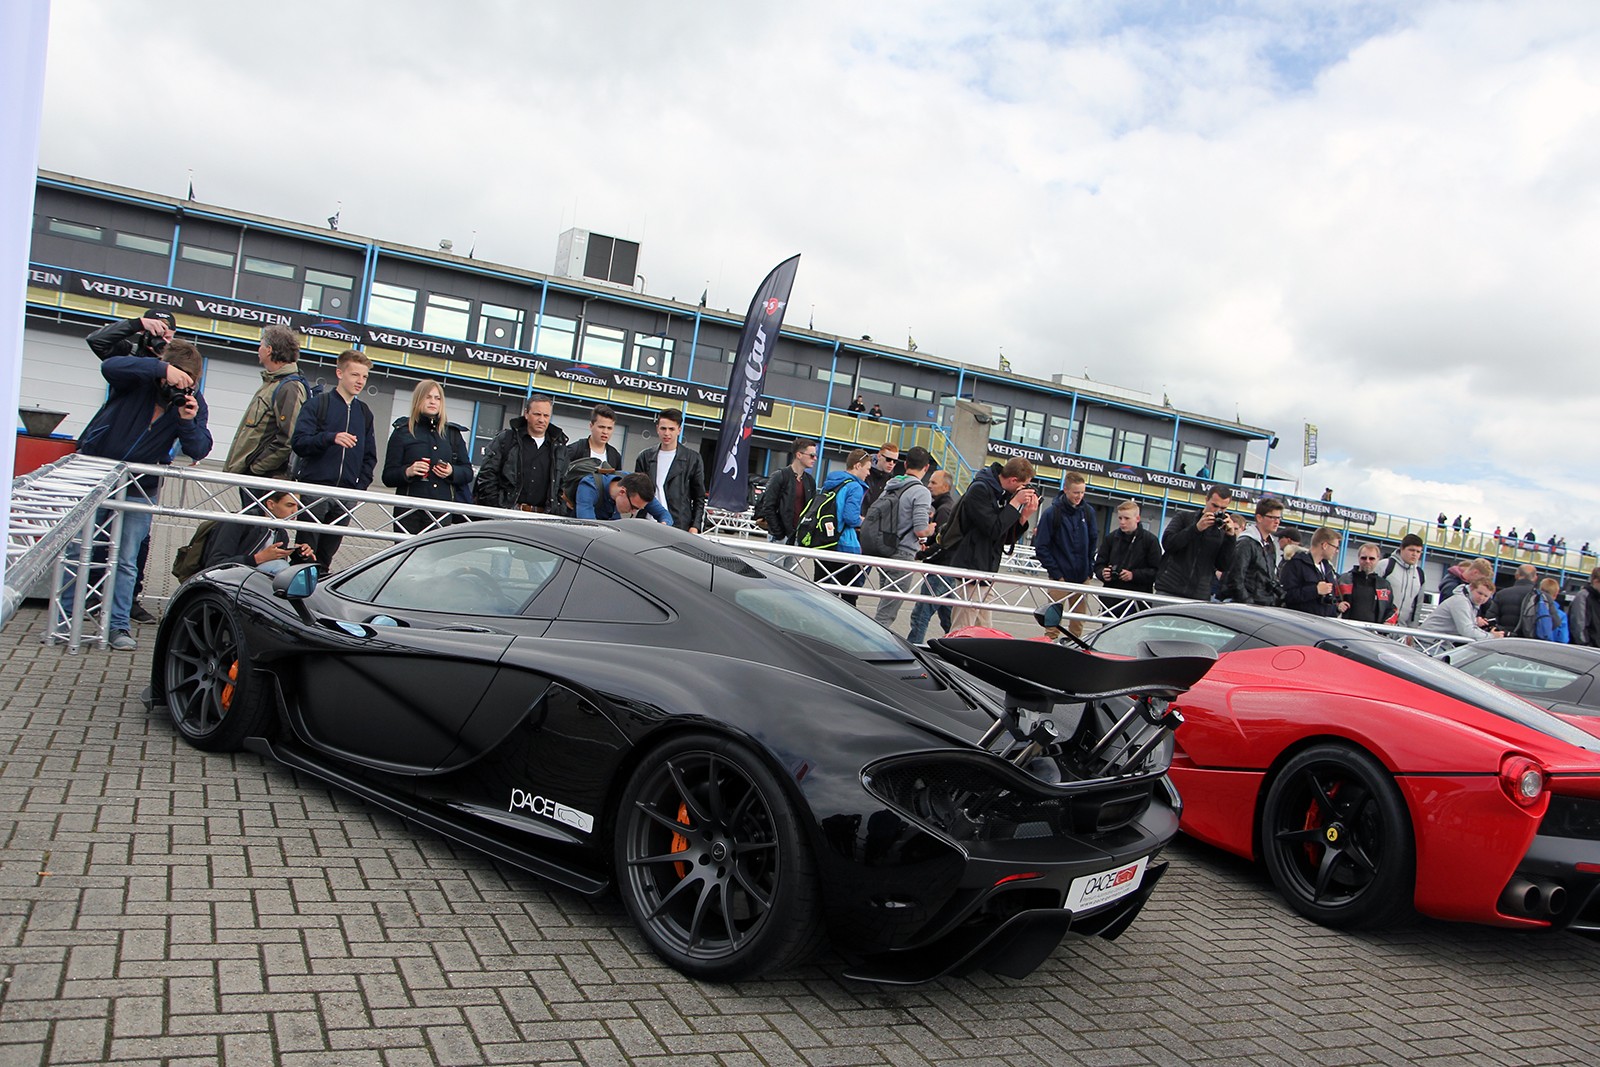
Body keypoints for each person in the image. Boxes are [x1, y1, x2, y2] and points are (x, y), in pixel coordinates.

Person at [59, 339, 211, 651]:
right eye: (173, 379)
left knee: (126, 560)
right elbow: (110, 366)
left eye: (185, 382)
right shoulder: (138, 379)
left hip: (140, 487)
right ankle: (65, 619)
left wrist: (187, 421)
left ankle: (117, 626)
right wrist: (159, 368)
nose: (175, 387)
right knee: (77, 551)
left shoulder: (193, 402)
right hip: (97, 476)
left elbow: (198, 448)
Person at [84, 308, 179, 623]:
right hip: (105, 461)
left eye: (168, 335)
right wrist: (135, 326)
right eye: (158, 333)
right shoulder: (128, 353)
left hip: (144, 473)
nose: (163, 340)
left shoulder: (176, 364)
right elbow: (98, 344)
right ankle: (88, 596)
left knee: (137, 543)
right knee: (94, 534)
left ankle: (128, 600)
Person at [289, 349, 377, 569]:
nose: (360, 381)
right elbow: (299, 443)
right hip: (314, 490)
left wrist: (359, 489)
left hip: (345, 496)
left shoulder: (364, 413)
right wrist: (330, 438)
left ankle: (320, 586)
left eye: (364, 376)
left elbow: (370, 456)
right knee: (304, 555)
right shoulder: (318, 404)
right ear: (339, 373)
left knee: (325, 558)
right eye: (355, 375)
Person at [942, 458, 1040, 630]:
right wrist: (1015, 503)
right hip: (972, 566)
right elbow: (994, 529)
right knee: (963, 627)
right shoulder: (980, 489)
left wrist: (1023, 517)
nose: (1025, 490)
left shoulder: (1002, 492)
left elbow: (1004, 537)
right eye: (1024, 485)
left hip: (987, 568)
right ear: (1013, 480)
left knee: (984, 628)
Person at [225, 325, 307, 504]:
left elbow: (288, 439)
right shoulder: (272, 382)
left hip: (264, 479)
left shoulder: (289, 387)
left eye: (260, 345)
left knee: (258, 521)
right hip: (255, 477)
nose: (258, 349)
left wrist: (256, 468)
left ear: (269, 350)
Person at [384, 380, 474, 534]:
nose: (433, 401)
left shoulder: (452, 434)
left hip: (441, 512)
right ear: (418, 399)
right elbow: (388, 476)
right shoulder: (403, 432)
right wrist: (408, 471)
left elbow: (468, 472)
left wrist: (452, 471)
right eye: (428, 397)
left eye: (437, 398)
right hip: (408, 512)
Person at [870, 447, 936, 629]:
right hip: (903, 553)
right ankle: (874, 642)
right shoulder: (921, 492)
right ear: (926, 467)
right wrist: (930, 529)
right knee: (886, 614)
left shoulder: (890, 486)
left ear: (905, 464)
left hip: (884, 550)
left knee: (885, 603)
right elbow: (920, 530)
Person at [474, 394, 569, 514]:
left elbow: (563, 485)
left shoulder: (559, 448)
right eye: (537, 414)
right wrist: (497, 507)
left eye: (546, 415)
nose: (541, 420)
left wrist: (558, 509)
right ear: (526, 414)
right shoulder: (506, 440)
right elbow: (487, 474)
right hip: (506, 514)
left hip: (543, 518)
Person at [1033, 472, 1099, 635]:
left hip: (1082, 577)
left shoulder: (1088, 513)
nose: (1079, 496)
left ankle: (1075, 646)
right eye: (1076, 492)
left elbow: (1093, 542)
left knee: (1078, 623)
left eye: (1082, 492)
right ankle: (1050, 647)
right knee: (1052, 624)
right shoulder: (1051, 514)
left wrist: (1089, 570)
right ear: (1066, 490)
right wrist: (1056, 573)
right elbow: (1041, 547)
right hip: (1059, 578)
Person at [1154, 487, 1239, 601]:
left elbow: (1224, 565)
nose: (1217, 510)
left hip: (1199, 594)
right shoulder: (1184, 517)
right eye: (1214, 505)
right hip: (1170, 587)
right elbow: (1168, 543)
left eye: (1223, 508)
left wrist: (1231, 537)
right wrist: (1196, 528)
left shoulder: (1222, 530)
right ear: (1206, 500)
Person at [203, 490, 317, 574]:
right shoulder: (240, 522)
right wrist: (258, 558)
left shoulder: (281, 534)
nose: (295, 511)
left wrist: (301, 556)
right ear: (271, 504)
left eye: (298, 506)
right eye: (289, 505)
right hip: (227, 579)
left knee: (304, 572)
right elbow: (215, 563)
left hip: (254, 581)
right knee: (279, 565)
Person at [907, 469, 960, 644]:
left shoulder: (945, 510)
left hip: (941, 569)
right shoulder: (944, 507)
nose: (929, 485)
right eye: (929, 481)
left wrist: (922, 554)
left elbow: (943, 543)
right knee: (948, 618)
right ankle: (957, 644)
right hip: (945, 568)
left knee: (921, 614)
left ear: (945, 487)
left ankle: (914, 647)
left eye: (933, 483)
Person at [632, 407, 706, 532]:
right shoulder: (645, 457)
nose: (667, 433)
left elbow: (699, 497)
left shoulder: (693, 459)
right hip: (647, 522)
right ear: (657, 429)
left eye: (671, 429)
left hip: (677, 525)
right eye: (663, 428)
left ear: (679, 430)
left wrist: (695, 526)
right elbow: (637, 491)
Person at [814, 449, 872, 606]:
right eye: (867, 469)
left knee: (822, 590)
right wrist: (863, 521)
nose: (868, 473)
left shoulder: (831, 482)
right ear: (858, 466)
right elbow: (850, 517)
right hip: (845, 544)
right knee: (849, 596)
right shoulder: (855, 487)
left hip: (824, 541)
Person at [752, 438, 817, 563]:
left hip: (797, 537)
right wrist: (779, 533)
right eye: (812, 455)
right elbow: (768, 506)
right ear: (799, 455)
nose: (815, 459)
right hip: (780, 536)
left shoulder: (809, 481)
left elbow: (811, 510)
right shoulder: (780, 476)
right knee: (774, 572)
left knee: (790, 573)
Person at [1093, 500, 1162, 612]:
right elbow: (1099, 564)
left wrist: (1133, 575)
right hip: (1111, 598)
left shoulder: (1150, 541)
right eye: (1120, 518)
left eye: (1127, 518)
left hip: (1138, 600)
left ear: (1137, 519)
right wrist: (1103, 573)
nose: (1122, 522)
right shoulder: (1110, 538)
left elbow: (1157, 571)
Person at [1223, 497, 1284, 606]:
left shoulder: (1270, 543)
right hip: (1248, 607)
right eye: (1272, 517)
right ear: (1259, 518)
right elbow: (1236, 578)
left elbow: (1270, 578)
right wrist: (1248, 603)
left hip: (1264, 604)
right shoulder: (1246, 543)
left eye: (1279, 518)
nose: (1277, 522)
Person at [1280, 527, 1341, 617]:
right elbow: (1286, 596)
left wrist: (1336, 608)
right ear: (1325, 545)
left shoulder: (1328, 569)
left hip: (1323, 621)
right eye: (1336, 547)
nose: (1337, 551)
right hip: (1301, 620)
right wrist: (1315, 590)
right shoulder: (1296, 564)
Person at [1422, 578, 1502, 642]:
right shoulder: (1461, 601)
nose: (1481, 598)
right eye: (1479, 593)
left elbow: (1469, 628)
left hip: (1435, 642)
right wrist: (1491, 636)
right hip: (1428, 642)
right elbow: (1467, 630)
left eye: (1486, 596)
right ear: (1471, 588)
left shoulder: (1470, 602)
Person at [577, 471, 672, 523]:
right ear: (622, 492)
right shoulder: (589, 487)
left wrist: (664, 524)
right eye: (633, 507)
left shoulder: (638, 488)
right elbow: (588, 527)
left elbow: (664, 515)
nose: (633, 512)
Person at [1336, 543, 1397, 624]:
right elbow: (1331, 601)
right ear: (1358, 558)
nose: (1367, 561)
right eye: (1364, 558)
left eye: (1371, 558)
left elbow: (1391, 609)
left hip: (1373, 630)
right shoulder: (1344, 580)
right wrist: (1338, 605)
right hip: (1346, 628)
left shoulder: (1384, 585)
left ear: (1378, 559)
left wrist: (1388, 623)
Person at [86, 308, 175, 361]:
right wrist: (137, 324)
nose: (163, 342)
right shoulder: (127, 353)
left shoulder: (177, 362)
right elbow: (95, 340)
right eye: (158, 336)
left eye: (167, 337)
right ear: (143, 332)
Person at [1377, 534, 1426, 627]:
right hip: (1381, 625)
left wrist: (1412, 629)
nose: (1414, 554)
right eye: (1411, 550)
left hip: (1403, 629)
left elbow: (1417, 606)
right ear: (1402, 548)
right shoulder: (1385, 566)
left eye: (1418, 551)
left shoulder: (1420, 574)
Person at [566, 403, 623, 470]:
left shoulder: (615, 456)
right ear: (591, 426)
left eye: (609, 428)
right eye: (601, 427)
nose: (605, 432)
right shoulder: (575, 450)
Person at [1487, 563, 1539, 633]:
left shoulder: (1502, 594)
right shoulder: (1542, 597)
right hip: (1530, 638)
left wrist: (1504, 632)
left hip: (1505, 636)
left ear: (1516, 575)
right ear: (1535, 578)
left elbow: (1491, 618)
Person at [860, 442, 899, 513]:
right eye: (888, 459)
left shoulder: (892, 482)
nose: (891, 463)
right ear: (879, 456)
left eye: (895, 461)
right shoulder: (864, 473)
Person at [1567, 568, 1600, 647]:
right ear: (1596, 582)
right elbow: (1578, 625)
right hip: (1586, 648)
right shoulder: (1583, 597)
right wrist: (1585, 645)